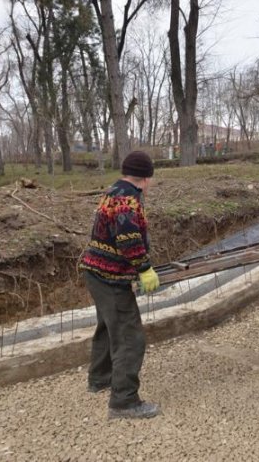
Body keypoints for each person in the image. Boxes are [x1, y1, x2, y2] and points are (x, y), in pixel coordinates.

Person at [79, 150, 162, 419]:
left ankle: (100, 378)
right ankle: (124, 401)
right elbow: (128, 239)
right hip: (110, 276)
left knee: (107, 325)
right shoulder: (128, 200)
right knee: (129, 335)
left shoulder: (114, 190)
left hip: (95, 271)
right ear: (147, 177)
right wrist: (145, 269)